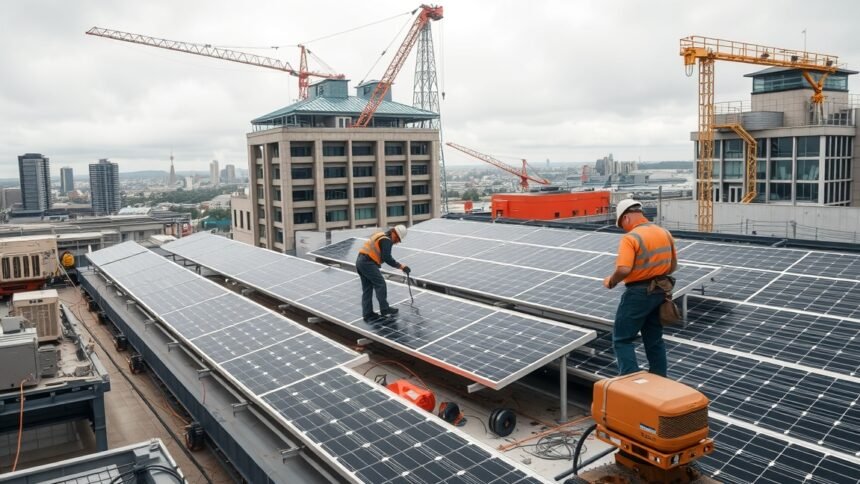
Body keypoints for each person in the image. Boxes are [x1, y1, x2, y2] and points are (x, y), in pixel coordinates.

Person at [603, 199, 677, 377]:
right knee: (654, 340)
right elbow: (673, 266)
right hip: (661, 291)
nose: (624, 228)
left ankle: (631, 382)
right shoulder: (664, 232)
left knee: (622, 339)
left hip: (638, 293)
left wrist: (612, 281)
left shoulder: (631, 237)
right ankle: (659, 379)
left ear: (626, 218)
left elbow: (623, 269)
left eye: (622, 224)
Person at [356, 225, 411, 322]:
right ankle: (385, 309)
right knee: (380, 284)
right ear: (394, 233)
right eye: (397, 239)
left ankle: (368, 314)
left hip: (360, 261)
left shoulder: (380, 235)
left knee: (367, 289)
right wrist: (401, 266)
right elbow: (387, 258)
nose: (397, 242)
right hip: (368, 262)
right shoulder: (386, 240)